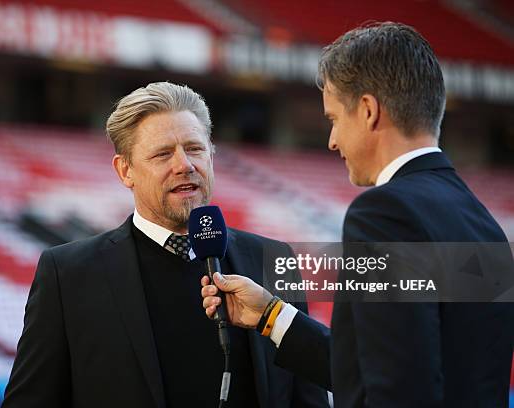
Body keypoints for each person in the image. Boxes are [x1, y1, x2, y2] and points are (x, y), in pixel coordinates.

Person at [201, 22, 514, 407]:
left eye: (334, 119)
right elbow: (387, 368)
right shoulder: (482, 222)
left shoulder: (385, 213)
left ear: (368, 110)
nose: (332, 140)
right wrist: (271, 315)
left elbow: (398, 391)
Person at [1, 82, 329, 408]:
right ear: (125, 170)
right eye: (162, 154)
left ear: (212, 156)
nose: (184, 164)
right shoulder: (68, 274)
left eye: (195, 148)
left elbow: (308, 399)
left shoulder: (271, 258)